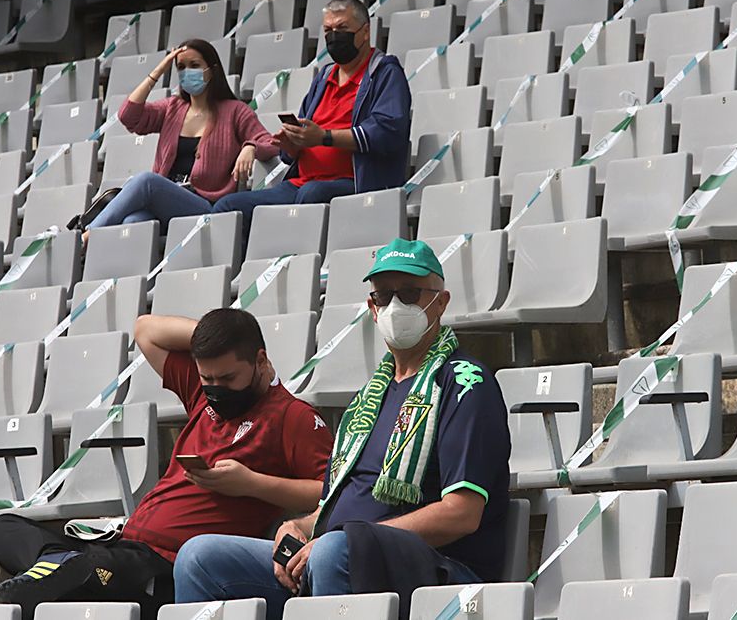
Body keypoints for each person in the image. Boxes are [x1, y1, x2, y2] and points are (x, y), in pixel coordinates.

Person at [172, 239, 511, 620]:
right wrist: (298, 526)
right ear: (371, 307)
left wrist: (352, 539)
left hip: (435, 570)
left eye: (411, 293)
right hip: (339, 556)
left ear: (441, 301)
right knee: (199, 558)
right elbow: (332, 506)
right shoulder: (367, 400)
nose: (395, 306)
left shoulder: (465, 382)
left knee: (336, 551)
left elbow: (462, 513)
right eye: (384, 296)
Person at [0, 308, 334, 619]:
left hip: (164, 564)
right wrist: (215, 334)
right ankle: (62, 564)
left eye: (227, 379)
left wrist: (250, 484)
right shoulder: (201, 394)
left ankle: (67, 568)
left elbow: (330, 492)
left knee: (79, 579)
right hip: (124, 545)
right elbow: (145, 330)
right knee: (3, 528)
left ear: (260, 361)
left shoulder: (293, 417)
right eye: (207, 377)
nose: (215, 388)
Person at [213, 0, 412, 243]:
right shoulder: (324, 76)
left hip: (359, 184)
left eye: (342, 29)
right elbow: (300, 141)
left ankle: (298, 268)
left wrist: (324, 138)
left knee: (312, 194)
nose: (334, 36)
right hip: (300, 184)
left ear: (365, 32)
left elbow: (387, 131)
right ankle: (246, 273)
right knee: (228, 207)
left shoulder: (384, 72)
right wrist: (292, 144)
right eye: (328, 30)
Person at [84, 38, 278, 235]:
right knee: (133, 221)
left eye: (194, 65)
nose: (187, 72)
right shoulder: (172, 108)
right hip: (167, 201)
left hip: (205, 205)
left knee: (146, 181)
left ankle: (88, 235)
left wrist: (250, 147)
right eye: (181, 67)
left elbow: (270, 142)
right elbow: (128, 116)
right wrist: (159, 70)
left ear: (212, 70)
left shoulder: (234, 111)